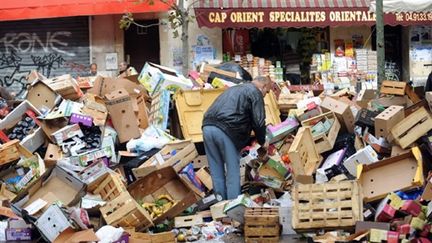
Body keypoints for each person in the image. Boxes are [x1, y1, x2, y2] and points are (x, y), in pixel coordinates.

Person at [202, 76, 272, 200]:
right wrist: (263, 141)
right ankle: (233, 207)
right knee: (232, 170)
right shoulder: (255, 92)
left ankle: (219, 205)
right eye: (267, 92)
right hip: (227, 129)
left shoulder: (235, 89)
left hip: (207, 126)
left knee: (216, 169)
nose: (266, 95)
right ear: (264, 86)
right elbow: (259, 122)